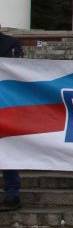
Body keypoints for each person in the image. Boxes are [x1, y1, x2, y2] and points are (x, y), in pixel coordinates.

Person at [0, 24, 24, 211]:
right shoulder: (9, 43)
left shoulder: (9, 43)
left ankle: (12, 193)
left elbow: (20, 70)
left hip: (5, 104)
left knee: (7, 149)